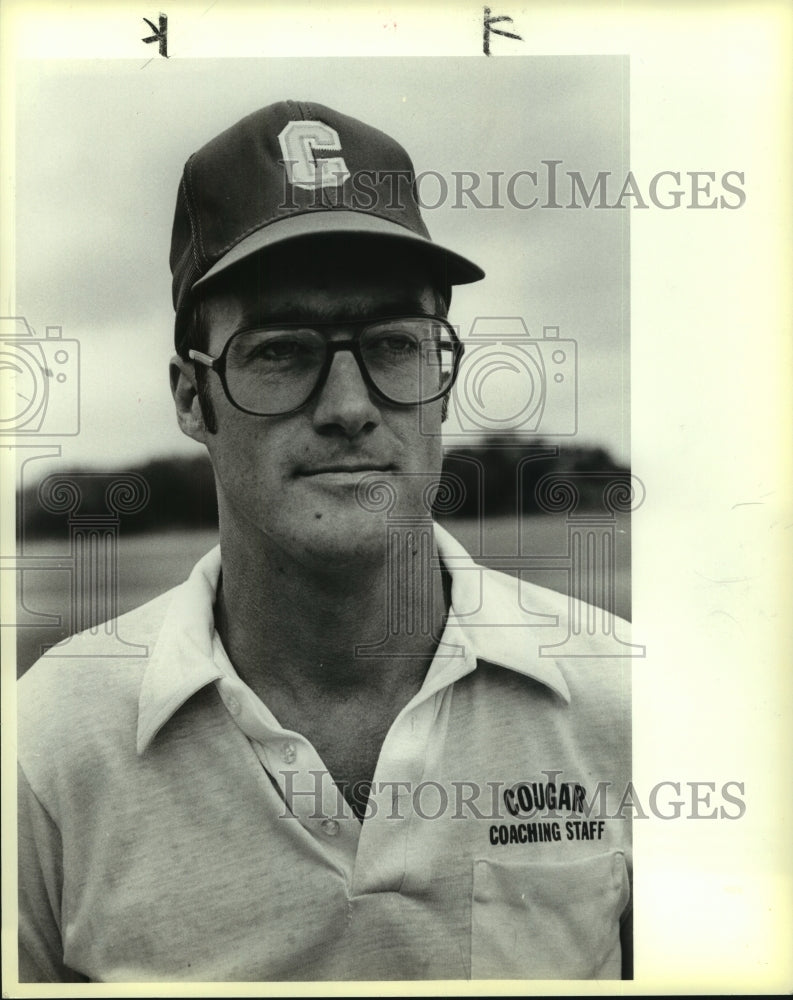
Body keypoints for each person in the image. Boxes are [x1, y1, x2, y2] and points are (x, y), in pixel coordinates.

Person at [17, 100, 632, 983]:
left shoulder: (625, 700)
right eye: (280, 350)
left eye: (394, 344)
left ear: (443, 377)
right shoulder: (47, 749)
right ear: (192, 399)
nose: (348, 407)